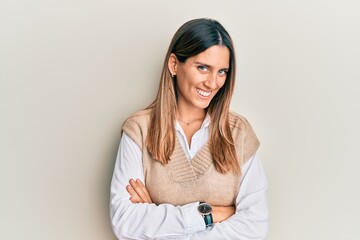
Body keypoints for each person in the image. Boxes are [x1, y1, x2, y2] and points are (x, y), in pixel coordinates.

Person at [110, 18, 268, 240]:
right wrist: (209, 215)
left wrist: (157, 219)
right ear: (174, 64)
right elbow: (125, 222)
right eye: (203, 68)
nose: (213, 83)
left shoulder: (239, 134)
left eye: (222, 72)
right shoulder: (139, 130)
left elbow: (254, 228)